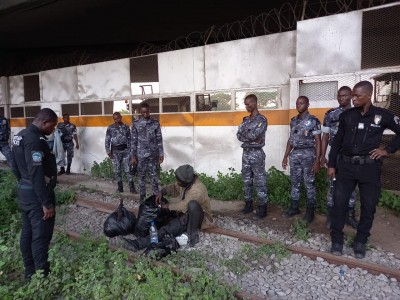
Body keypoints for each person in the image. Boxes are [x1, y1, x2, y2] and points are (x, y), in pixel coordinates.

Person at [328, 81, 400, 259]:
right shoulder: (347, 116)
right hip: (345, 166)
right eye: (352, 95)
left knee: (368, 206)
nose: (353, 99)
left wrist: (387, 150)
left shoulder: (383, 116)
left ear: (369, 95)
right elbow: (337, 141)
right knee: (339, 204)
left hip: (369, 168)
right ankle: (337, 240)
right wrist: (331, 164)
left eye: (357, 96)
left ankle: (360, 241)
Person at [11, 108, 58, 280]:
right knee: (40, 236)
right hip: (37, 195)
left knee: (28, 232)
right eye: (52, 126)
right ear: (45, 122)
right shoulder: (35, 141)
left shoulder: (20, 136)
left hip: (25, 191)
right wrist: (46, 202)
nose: (53, 130)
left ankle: (29, 272)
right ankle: (41, 277)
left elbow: (14, 165)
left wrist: (23, 183)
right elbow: (36, 173)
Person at [123, 164, 212, 251]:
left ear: (185, 182)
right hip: (186, 211)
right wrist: (162, 192)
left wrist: (168, 206)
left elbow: (184, 205)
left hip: (199, 216)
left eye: (179, 181)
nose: (177, 182)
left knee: (167, 229)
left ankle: (139, 244)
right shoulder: (187, 183)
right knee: (165, 219)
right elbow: (174, 187)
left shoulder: (197, 190)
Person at [321, 86, 358, 229]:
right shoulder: (331, 115)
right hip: (335, 155)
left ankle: (350, 215)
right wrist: (323, 156)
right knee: (332, 185)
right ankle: (331, 215)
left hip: (352, 156)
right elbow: (325, 136)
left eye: (345, 96)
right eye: (339, 96)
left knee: (352, 186)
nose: (342, 98)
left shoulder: (357, 113)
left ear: (351, 96)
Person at [282, 96, 321, 224]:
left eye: (302, 103)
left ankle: (310, 211)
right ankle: (294, 207)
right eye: (297, 103)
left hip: (309, 154)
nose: (299, 105)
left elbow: (318, 141)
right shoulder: (293, 121)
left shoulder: (314, 120)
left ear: (308, 104)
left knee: (309, 183)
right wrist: (285, 156)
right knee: (295, 182)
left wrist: (317, 161)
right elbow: (290, 140)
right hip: (295, 155)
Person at [236, 94, 268, 219]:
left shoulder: (262, 120)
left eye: (248, 103)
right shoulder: (245, 120)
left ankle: (262, 207)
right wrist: (249, 138)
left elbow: (255, 134)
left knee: (260, 181)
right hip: (246, 153)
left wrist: (248, 137)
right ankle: (248, 205)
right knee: (247, 180)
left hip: (256, 153)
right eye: (245, 104)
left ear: (254, 103)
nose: (246, 106)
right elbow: (239, 135)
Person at [131, 102, 164, 201]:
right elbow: (133, 141)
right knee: (141, 176)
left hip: (153, 154)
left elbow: (159, 139)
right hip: (141, 155)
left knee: (154, 175)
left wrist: (161, 153)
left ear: (149, 111)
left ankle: (155, 196)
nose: (145, 113)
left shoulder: (155, 123)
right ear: (140, 112)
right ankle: (142, 197)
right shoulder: (136, 124)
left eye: (147, 111)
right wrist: (133, 156)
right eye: (143, 112)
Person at [105, 112, 136, 193]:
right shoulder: (110, 128)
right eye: (115, 118)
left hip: (125, 151)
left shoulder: (126, 127)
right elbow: (107, 140)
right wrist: (108, 151)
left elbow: (130, 140)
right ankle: (120, 187)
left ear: (121, 117)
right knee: (117, 170)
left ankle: (132, 188)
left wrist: (130, 151)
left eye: (118, 118)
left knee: (128, 169)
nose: (117, 120)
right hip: (115, 152)